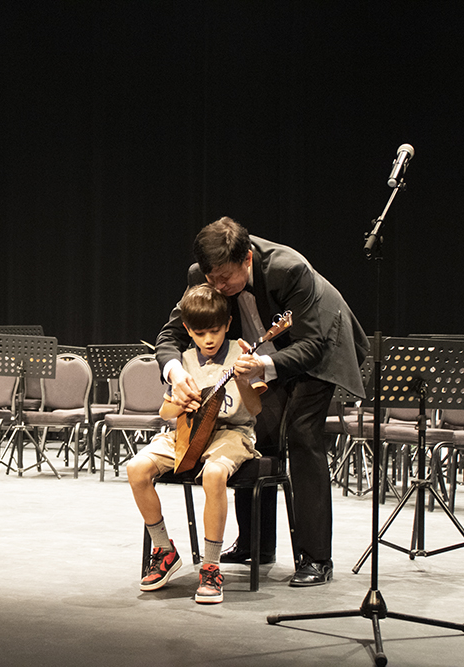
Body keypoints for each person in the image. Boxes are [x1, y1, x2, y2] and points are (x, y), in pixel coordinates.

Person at [156, 217, 369, 587]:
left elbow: (312, 343)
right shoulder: (203, 275)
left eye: (225, 279)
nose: (218, 288)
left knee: (302, 435)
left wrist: (265, 366)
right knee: (257, 434)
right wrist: (175, 372)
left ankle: (316, 558)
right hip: (265, 353)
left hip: (320, 348)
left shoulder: (289, 269)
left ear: (247, 259)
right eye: (211, 279)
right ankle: (256, 544)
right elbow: (170, 334)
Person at [128, 284, 265, 604]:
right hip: (187, 434)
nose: (208, 339)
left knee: (214, 475)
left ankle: (211, 566)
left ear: (228, 324)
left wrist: (244, 380)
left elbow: (255, 409)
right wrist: (180, 401)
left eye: (215, 331)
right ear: (188, 330)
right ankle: (164, 549)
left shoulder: (242, 354)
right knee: (136, 469)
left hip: (232, 433)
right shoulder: (184, 361)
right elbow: (165, 413)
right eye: (200, 333)